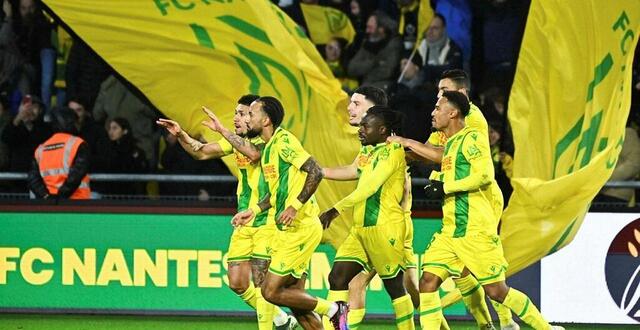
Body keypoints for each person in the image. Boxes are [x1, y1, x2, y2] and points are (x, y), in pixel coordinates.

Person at [416, 91, 562, 330]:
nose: (433, 112)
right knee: (428, 281)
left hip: (475, 231)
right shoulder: (450, 143)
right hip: (450, 232)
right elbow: (455, 174)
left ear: (452, 112)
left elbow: (484, 175)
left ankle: (544, 328)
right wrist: (438, 180)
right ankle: (492, 324)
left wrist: (446, 186)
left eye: (437, 107)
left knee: (496, 291)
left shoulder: (472, 137)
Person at [389, 69, 517, 329]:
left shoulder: (473, 119)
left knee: (479, 267)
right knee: (461, 269)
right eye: (438, 90)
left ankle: (505, 321)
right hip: (458, 198)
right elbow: (428, 150)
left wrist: (406, 142)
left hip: (481, 198)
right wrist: (397, 153)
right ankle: (487, 324)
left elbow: (445, 154)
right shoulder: (444, 117)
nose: (438, 95)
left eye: (443, 90)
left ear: (461, 94)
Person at [157, 95, 297, 330]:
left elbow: (253, 154)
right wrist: (180, 134)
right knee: (237, 283)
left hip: (267, 218)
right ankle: (283, 320)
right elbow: (200, 151)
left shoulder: (267, 141)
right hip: (245, 220)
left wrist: (222, 130)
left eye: (244, 113)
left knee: (263, 283)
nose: (237, 118)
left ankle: (308, 315)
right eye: (236, 113)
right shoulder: (237, 142)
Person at [212, 96, 341, 330]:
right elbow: (275, 194)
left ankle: (333, 309)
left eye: (251, 114)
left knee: (269, 291)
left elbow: (315, 171)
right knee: (294, 302)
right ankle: (330, 317)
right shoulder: (269, 149)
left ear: (266, 119)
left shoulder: (284, 142)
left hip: (300, 227)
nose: (247, 119)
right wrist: (253, 210)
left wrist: (295, 206)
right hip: (288, 229)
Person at [321, 86, 420, 330]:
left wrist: (335, 209)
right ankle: (339, 328)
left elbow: (373, 186)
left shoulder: (392, 149)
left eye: (355, 103)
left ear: (373, 111)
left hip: (388, 228)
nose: (349, 108)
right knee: (340, 278)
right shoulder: (369, 148)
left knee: (407, 290)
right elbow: (356, 171)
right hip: (363, 227)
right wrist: (318, 171)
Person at [28, 107, 90, 199]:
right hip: (77, 202)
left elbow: (33, 179)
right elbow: (76, 174)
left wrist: (46, 196)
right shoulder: (78, 144)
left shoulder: (41, 149)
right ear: (70, 122)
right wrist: (60, 197)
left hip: (49, 205)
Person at [347, 10, 402, 90]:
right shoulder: (368, 43)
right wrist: (375, 62)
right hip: (366, 86)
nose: (367, 31)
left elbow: (387, 72)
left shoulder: (393, 44)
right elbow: (352, 68)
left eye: (370, 27)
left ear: (381, 29)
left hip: (384, 88)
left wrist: (365, 70)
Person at [417, 13, 463, 85]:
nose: (430, 31)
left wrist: (427, 70)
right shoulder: (418, 46)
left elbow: (452, 70)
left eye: (435, 28)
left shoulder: (453, 48)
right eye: (427, 27)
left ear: (443, 29)